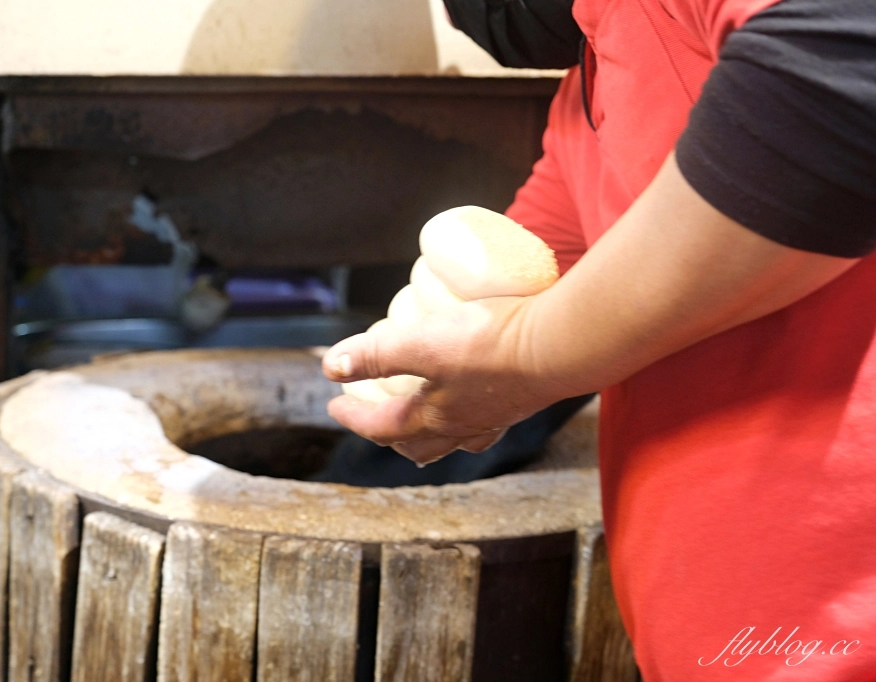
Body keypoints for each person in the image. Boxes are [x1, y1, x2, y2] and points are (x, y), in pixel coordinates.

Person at [322, 0, 876, 679]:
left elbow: (844, 68)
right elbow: (532, 285)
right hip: (721, 639)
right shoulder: (591, 82)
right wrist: (426, 386)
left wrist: (525, 360)